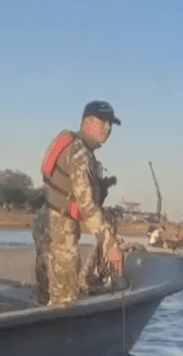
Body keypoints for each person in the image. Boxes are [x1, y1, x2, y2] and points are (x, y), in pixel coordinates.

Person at [32, 100, 125, 306]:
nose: (107, 129)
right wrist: (111, 244)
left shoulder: (71, 143)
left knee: (46, 292)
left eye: (110, 124)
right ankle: (58, 335)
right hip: (60, 230)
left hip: (45, 219)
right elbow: (87, 207)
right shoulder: (81, 153)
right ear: (86, 122)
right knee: (64, 300)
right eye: (102, 122)